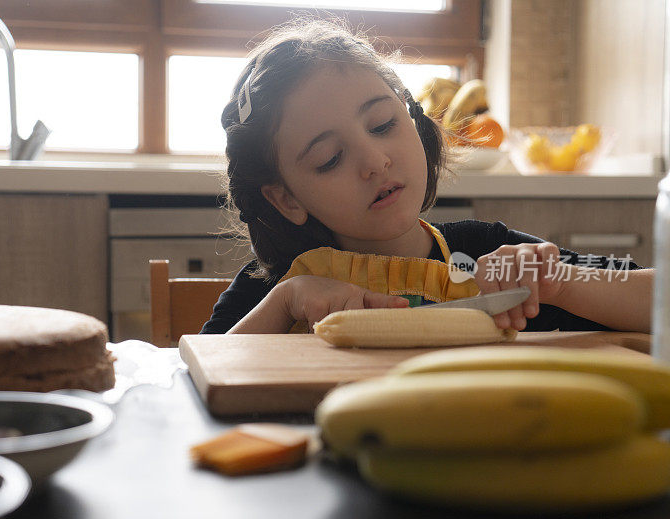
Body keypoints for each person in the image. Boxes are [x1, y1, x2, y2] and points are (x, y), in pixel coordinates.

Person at [201, 18, 653, 336]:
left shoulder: (485, 253)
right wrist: (286, 303)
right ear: (286, 200)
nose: (375, 161)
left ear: (413, 121)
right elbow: (192, 381)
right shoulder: (272, 288)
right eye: (330, 157)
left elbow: (659, 299)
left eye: (382, 125)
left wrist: (560, 281)